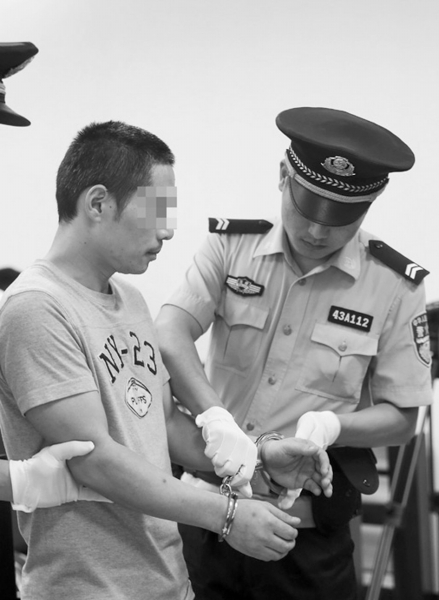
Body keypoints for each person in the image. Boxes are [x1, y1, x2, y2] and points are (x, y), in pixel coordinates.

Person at [0, 120, 333, 600]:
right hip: (88, 587)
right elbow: (94, 460)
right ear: (98, 203)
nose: (168, 230)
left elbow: (166, 426)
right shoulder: (37, 307)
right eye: (157, 209)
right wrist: (226, 515)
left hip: (166, 580)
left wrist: (257, 457)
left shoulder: (131, 300)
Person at [155, 107, 434, 599]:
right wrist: (215, 417)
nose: (318, 232)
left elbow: (402, 418)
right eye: (307, 209)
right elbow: (170, 331)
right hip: (207, 517)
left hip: (302, 537)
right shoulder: (231, 248)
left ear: (371, 203)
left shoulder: (393, 286)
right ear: (284, 176)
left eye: (340, 217)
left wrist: (332, 426)